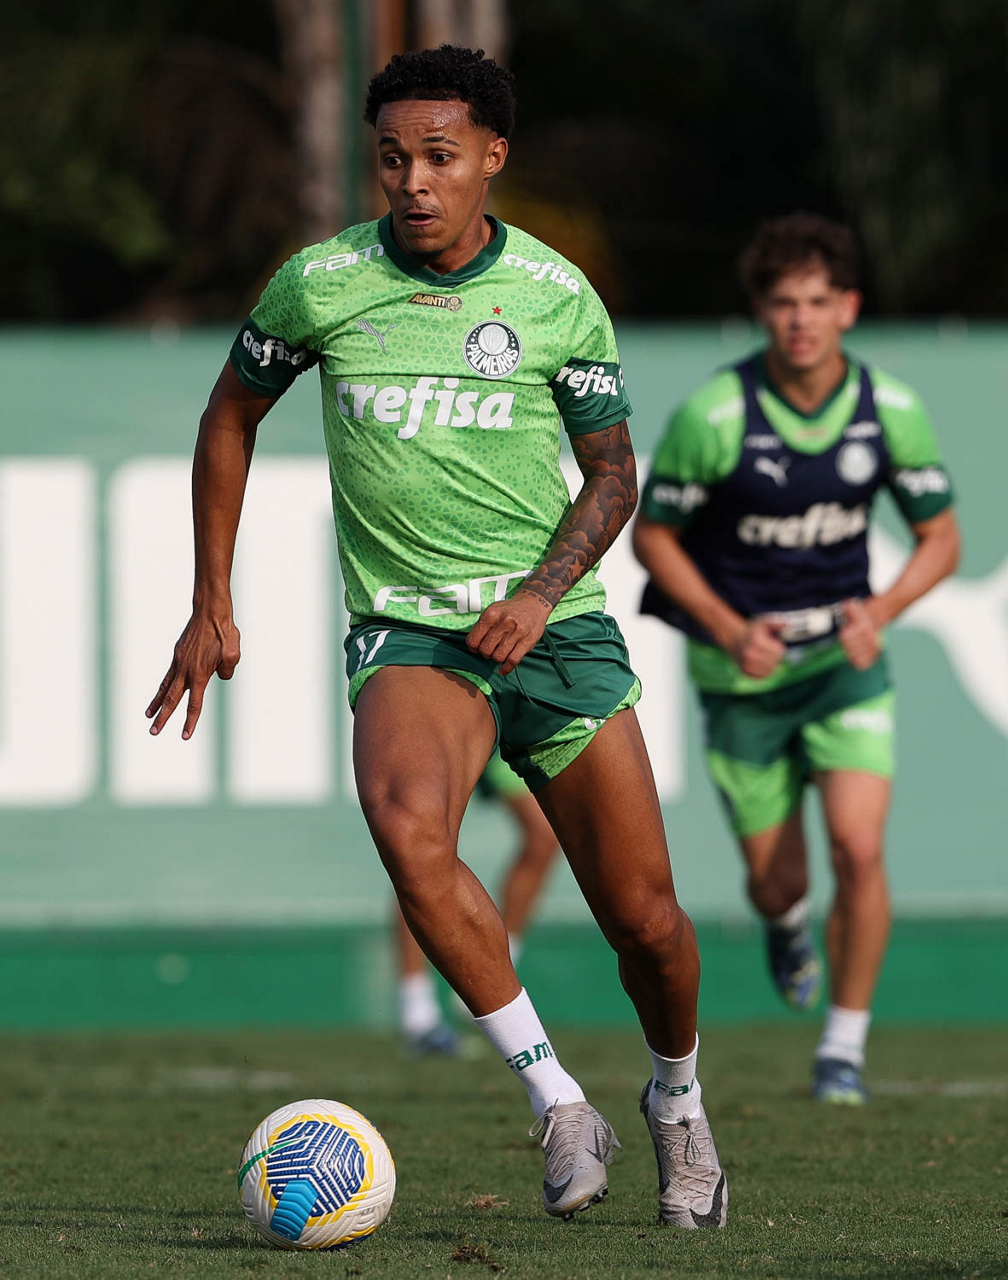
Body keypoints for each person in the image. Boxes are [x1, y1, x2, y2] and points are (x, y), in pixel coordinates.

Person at [147, 44, 726, 1228]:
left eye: (440, 158)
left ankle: (677, 1099)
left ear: (491, 159)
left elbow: (613, 474)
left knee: (649, 923)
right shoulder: (321, 284)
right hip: (412, 628)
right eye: (393, 159)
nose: (413, 181)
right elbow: (229, 413)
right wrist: (211, 597)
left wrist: (541, 591)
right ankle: (559, 1100)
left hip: (552, 626)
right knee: (409, 831)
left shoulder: (555, 294)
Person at [632, 212, 959, 1104]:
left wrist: (882, 611)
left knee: (859, 846)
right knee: (777, 881)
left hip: (844, 669)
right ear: (761, 311)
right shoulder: (716, 413)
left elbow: (941, 538)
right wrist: (728, 626)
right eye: (784, 303)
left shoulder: (889, 410)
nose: (801, 320)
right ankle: (785, 925)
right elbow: (654, 536)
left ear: (848, 307)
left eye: (819, 301)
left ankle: (842, 1049)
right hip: (743, 678)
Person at [397, 752, 561, 1056]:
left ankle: (492, 974)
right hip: (439, 728)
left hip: (498, 728)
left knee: (544, 835)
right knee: (419, 852)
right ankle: (417, 1015)